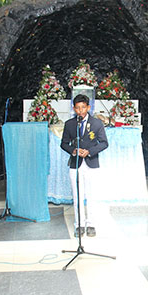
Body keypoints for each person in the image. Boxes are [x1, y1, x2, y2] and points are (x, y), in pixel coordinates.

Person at [60, 94, 108, 237]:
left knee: (91, 195)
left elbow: (104, 143)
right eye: (77, 108)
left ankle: (91, 224)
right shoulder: (69, 124)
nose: (80, 111)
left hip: (91, 163)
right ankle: (79, 224)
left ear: (88, 107)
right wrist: (73, 150)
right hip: (76, 164)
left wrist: (89, 152)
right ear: (74, 109)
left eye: (83, 107)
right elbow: (63, 143)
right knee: (77, 195)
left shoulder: (97, 123)